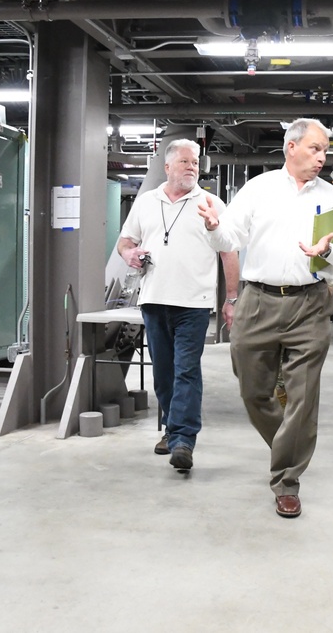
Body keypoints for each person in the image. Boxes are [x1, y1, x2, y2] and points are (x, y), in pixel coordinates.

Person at [198, 118, 333, 518]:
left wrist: (329, 250)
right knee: (253, 391)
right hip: (257, 300)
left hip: (309, 302)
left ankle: (287, 479)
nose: (322, 157)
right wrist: (215, 227)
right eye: (315, 149)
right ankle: (286, 444)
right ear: (291, 147)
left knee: (303, 397)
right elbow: (230, 237)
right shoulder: (259, 189)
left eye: (325, 150)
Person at [118, 139, 239, 472]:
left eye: (196, 163)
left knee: (186, 370)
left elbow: (229, 251)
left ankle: (184, 440)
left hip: (194, 304)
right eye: (185, 162)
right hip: (154, 301)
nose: (192, 167)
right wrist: (128, 253)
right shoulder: (145, 202)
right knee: (164, 373)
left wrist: (231, 298)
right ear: (167, 167)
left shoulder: (211, 202)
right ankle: (171, 431)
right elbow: (125, 241)